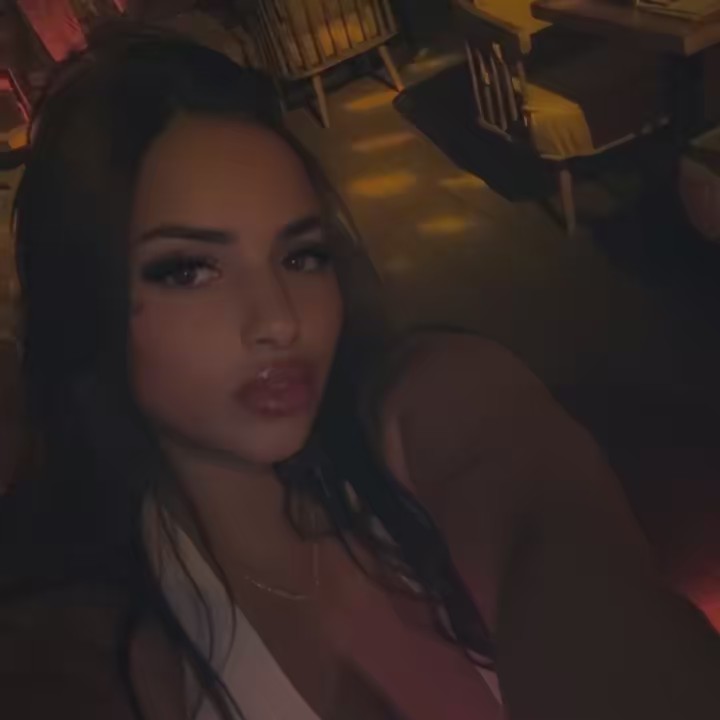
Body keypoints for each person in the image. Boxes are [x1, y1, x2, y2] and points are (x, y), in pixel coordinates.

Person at [1, 26, 719, 720]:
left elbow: (547, 519)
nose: (279, 319)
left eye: (300, 256)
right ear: (89, 301)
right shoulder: (101, 639)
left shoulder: (417, 405)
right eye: (189, 269)